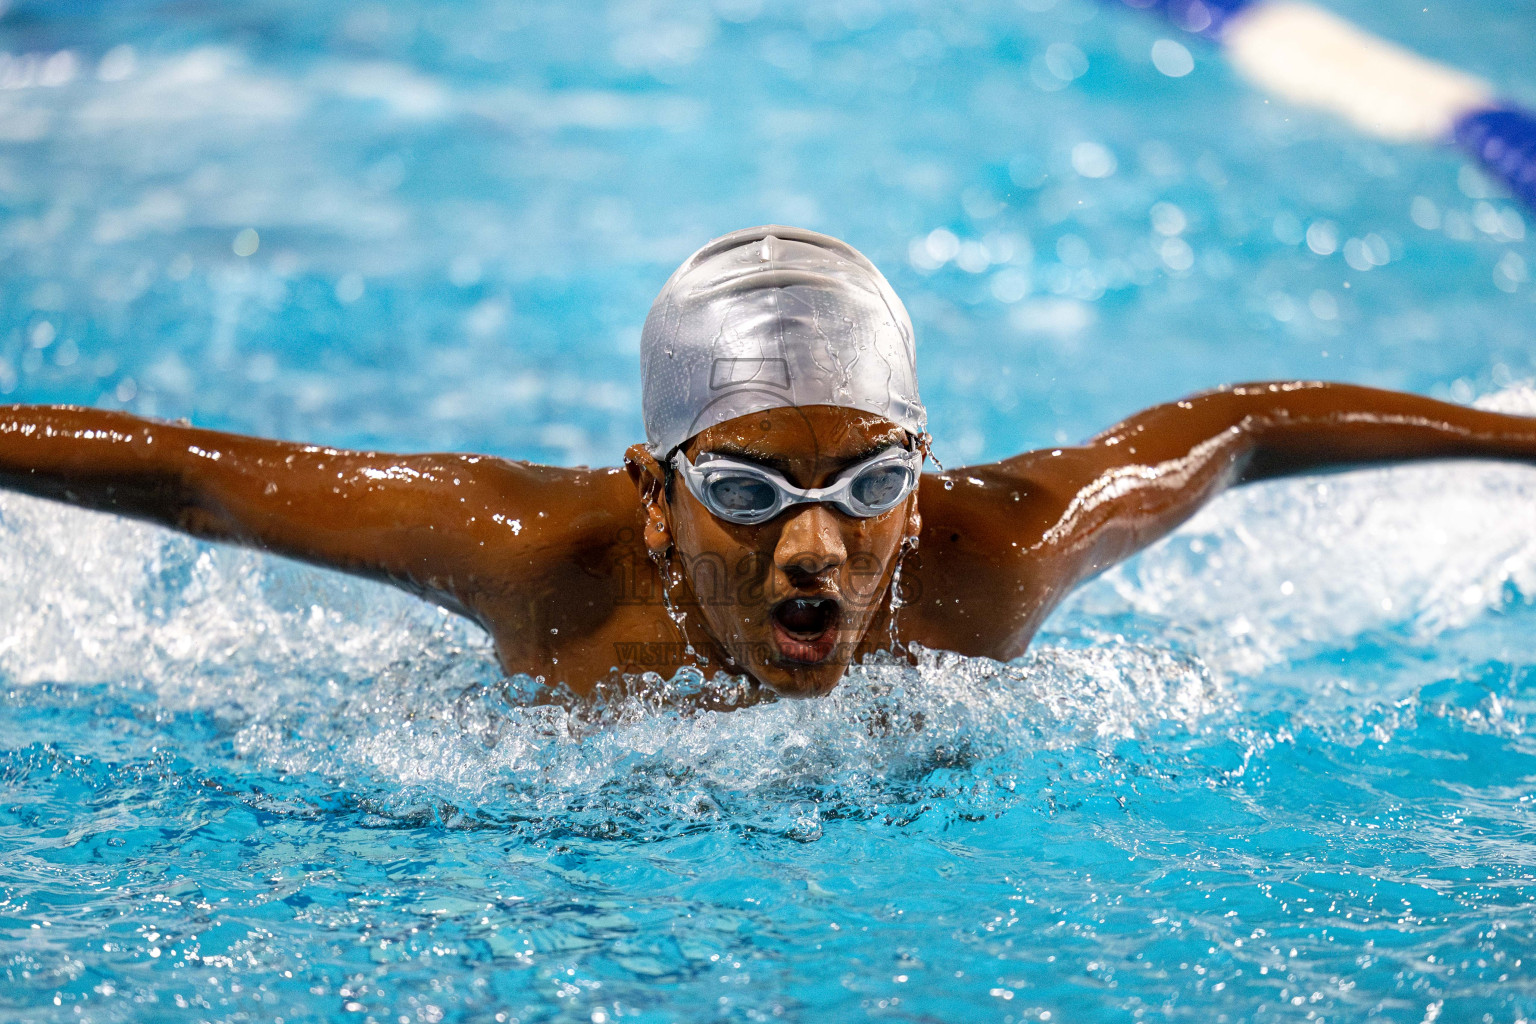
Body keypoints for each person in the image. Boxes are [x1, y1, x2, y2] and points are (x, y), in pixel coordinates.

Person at [2, 225, 1534, 701]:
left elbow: (1243, 430)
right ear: (655, 492)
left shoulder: (984, 555)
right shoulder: (540, 555)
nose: (821, 550)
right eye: (747, 490)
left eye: (870, 485)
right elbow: (194, 473)